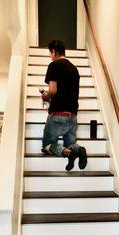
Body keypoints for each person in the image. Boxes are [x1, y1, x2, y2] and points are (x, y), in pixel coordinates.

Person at [41, 40, 87, 171]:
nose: (50, 56)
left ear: (54, 52)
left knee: (47, 145)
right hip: (72, 115)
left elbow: (53, 90)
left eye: (50, 53)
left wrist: (45, 96)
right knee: (70, 143)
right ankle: (78, 150)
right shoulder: (74, 69)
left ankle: (67, 152)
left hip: (58, 114)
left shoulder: (54, 65)